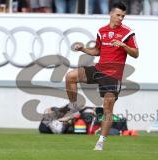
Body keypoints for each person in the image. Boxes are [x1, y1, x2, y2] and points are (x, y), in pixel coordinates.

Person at [58, 2, 139, 151]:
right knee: (70, 76)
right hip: (99, 69)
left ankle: (101, 141)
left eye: (123, 16)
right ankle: (73, 109)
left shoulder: (128, 33)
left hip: (113, 75)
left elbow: (136, 54)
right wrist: (82, 48)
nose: (121, 18)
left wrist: (123, 45)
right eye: (118, 15)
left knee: (107, 108)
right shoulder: (102, 31)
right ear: (111, 14)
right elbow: (97, 51)